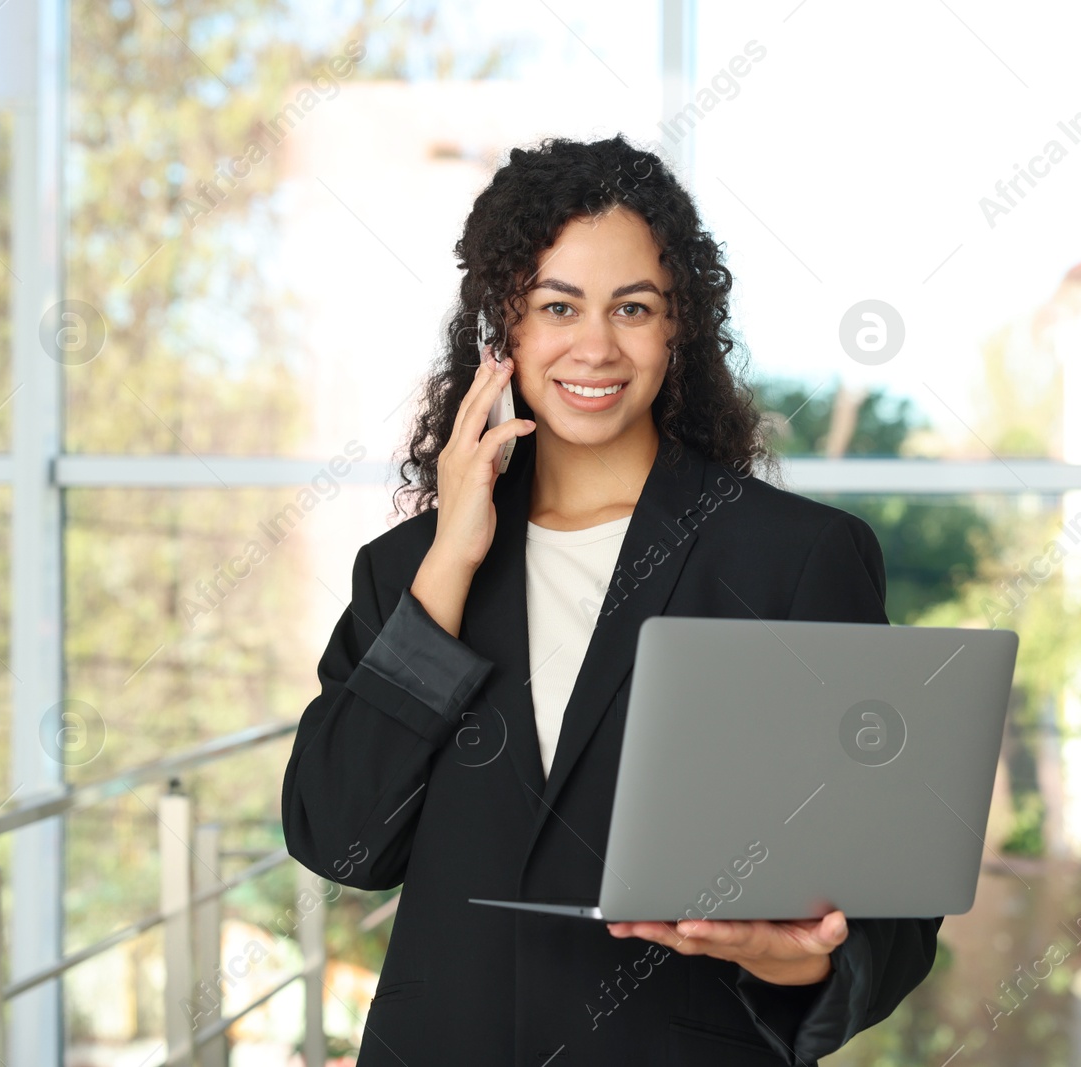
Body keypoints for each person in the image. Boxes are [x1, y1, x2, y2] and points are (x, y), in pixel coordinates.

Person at [281, 134, 941, 1066]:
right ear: (500, 329)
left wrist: (786, 961)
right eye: (559, 306)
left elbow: (893, 909)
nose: (596, 345)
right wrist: (452, 562)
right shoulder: (410, 571)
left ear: (678, 330)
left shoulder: (793, 558)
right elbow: (341, 839)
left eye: (633, 307)